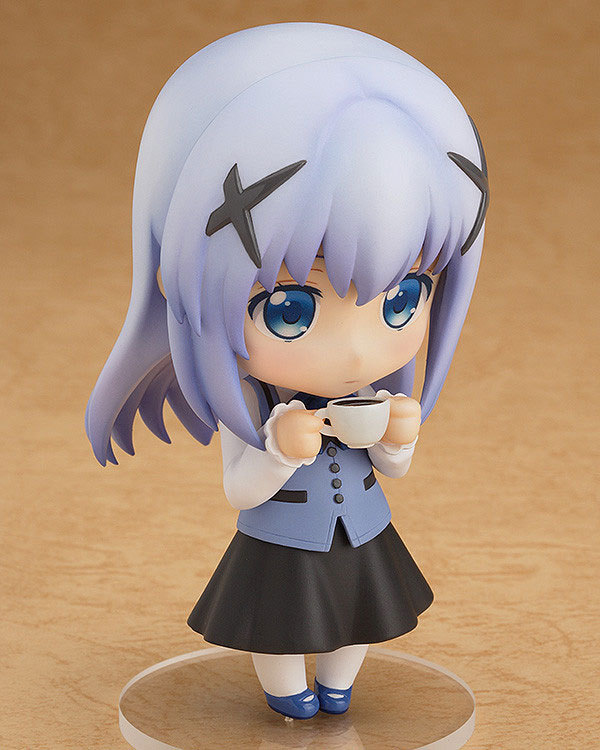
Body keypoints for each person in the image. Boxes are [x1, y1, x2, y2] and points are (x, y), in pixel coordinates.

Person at [86, 22, 488, 719]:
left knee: (359, 613)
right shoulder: (254, 402)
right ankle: (288, 691)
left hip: (361, 530)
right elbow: (239, 490)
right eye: (290, 308)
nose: (356, 353)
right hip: (282, 539)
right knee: (279, 620)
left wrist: (398, 438)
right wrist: (277, 450)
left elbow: (392, 470)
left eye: (402, 299)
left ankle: (337, 684)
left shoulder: (369, 392)